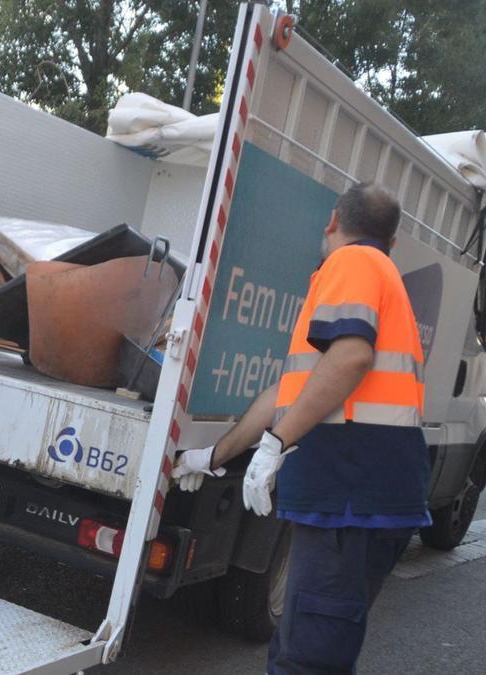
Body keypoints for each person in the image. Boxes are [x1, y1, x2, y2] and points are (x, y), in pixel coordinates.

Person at [174, 183, 429, 673]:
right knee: (304, 647)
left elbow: (352, 355)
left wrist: (277, 444)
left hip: (348, 497)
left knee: (308, 659)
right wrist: (216, 456)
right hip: (360, 497)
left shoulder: (353, 263)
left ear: (333, 220)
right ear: (393, 240)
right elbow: (283, 396)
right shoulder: (377, 271)